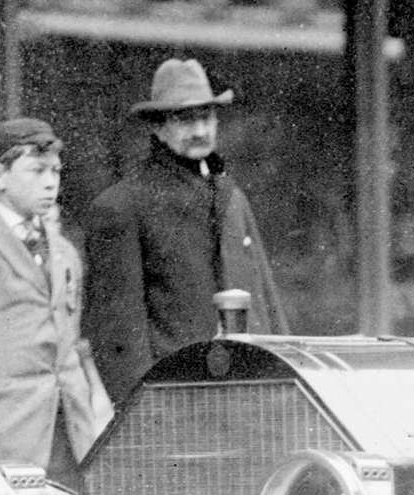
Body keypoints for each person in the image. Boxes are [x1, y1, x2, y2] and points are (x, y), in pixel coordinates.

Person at [82, 57, 288, 404]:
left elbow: (265, 301)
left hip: (250, 392)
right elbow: (118, 333)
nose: (200, 131)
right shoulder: (122, 206)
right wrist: (143, 410)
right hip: (176, 396)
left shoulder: (230, 197)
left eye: (206, 117)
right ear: (158, 128)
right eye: (185, 119)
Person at [0, 119, 112, 484]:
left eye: (56, 172)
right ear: (0, 176)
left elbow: (70, 340)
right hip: (3, 436)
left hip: (70, 432)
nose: (51, 182)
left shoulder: (65, 251)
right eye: (37, 171)